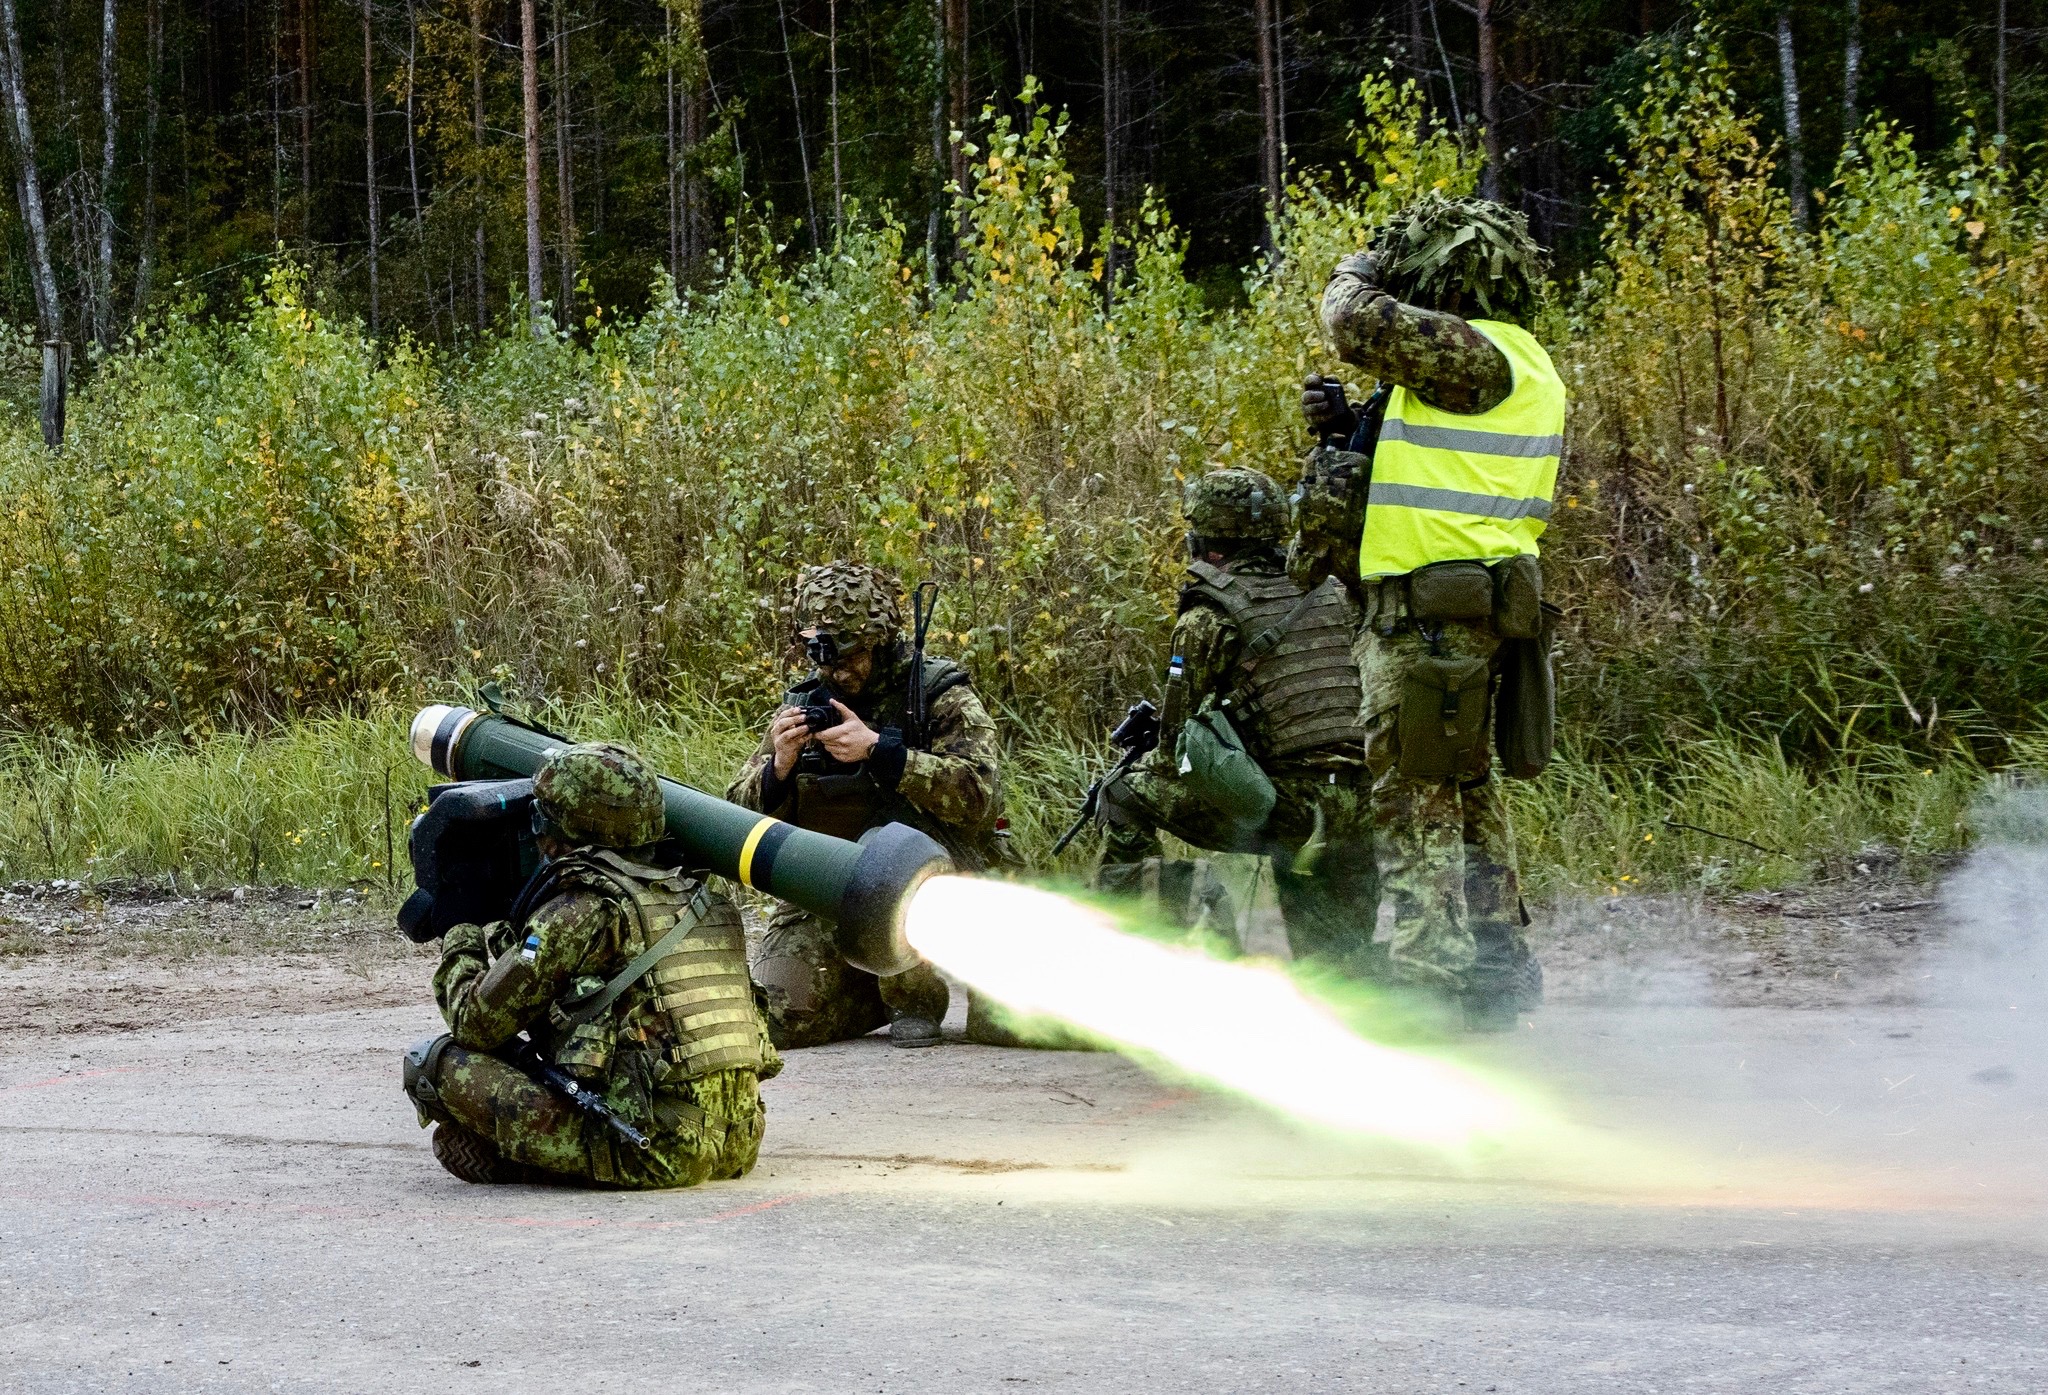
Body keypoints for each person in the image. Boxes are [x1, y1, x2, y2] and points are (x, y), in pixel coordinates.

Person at [1295, 192, 1561, 1030]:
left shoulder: (1479, 355)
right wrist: (1352, 427)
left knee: (1414, 808)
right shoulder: (1518, 363)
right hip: (1467, 616)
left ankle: (1431, 986)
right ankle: (1494, 973)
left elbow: (1352, 319)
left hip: (1428, 622)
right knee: (1469, 796)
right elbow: (1434, 473)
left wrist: (1360, 268)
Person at [402, 741, 777, 1187]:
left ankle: (538, 1162)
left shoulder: (584, 910)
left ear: (564, 827)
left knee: (432, 1063)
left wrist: (459, 926)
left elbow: (474, 1021)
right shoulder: (705, 898)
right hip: (738, 1140)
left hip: (648, 1148)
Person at [1095, 467, 1379, 977]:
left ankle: (1144, 953)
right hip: (1367, 800)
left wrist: (1170, 742)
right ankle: (1356, 981)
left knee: (1121, 795)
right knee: (1338, 968)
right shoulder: (1337, 594)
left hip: (1290, 811)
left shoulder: (1208, 615)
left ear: (1204, 536)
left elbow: (1177, 749)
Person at [727, 561, 1005, 1049]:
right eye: (823, 655)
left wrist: (881, 751)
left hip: (947, 878)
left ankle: (916, 992)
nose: (837, 670)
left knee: (1008, 1022)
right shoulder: (806, 703)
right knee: (773, 1019)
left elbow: (980, 797)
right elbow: (737, 813)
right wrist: (780, 767)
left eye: (850, 655)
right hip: (836, 887)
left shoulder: (937, 694)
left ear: (879, 641)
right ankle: (869, 988)